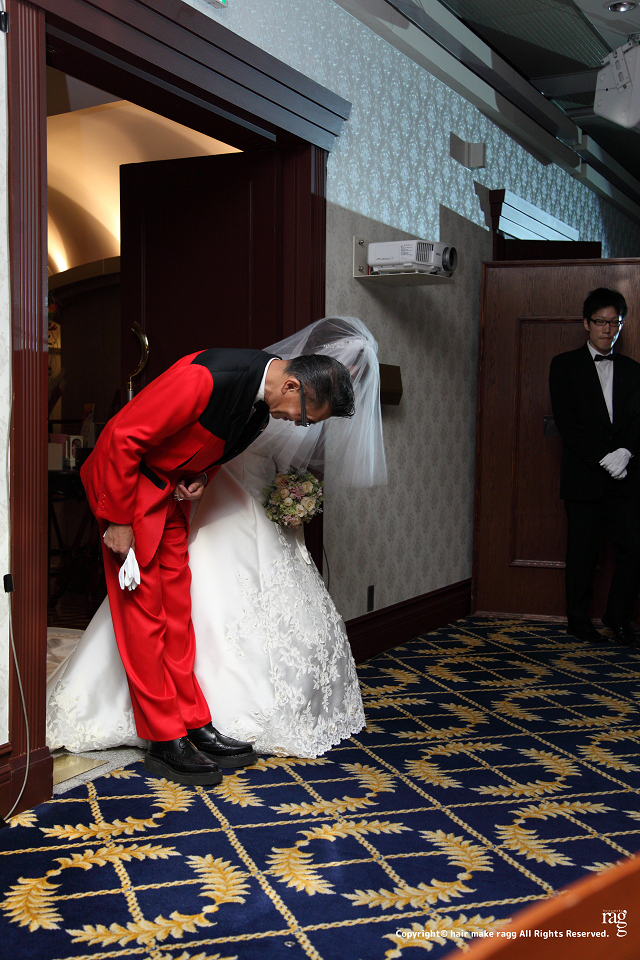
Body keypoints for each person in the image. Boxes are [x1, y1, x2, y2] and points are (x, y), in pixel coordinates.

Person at [79, 345, 355, 786]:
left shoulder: (261, 406)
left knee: (177, 613)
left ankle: (192, 721)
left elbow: (206, 446)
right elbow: (122, 436)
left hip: (169, 495)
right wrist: (117, 519)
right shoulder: (206, 378)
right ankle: (163, 738)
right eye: (304, 416)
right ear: (291, 385)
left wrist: (201, 476)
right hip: (128, 496)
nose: (297, 423)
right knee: (143, 618)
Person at [549, 287, 640, 646]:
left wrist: (626, 452)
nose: (607, 329)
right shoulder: (564, 365)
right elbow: (567, 423)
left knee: (635, 547)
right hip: (584, 475)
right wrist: (605, 457)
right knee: (582, 552)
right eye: (600, 321)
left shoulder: (634, 371)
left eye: (614, 322)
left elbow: (639, 421)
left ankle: (619, 618)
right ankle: (578, 621)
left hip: (626, 478)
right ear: (586, 323)